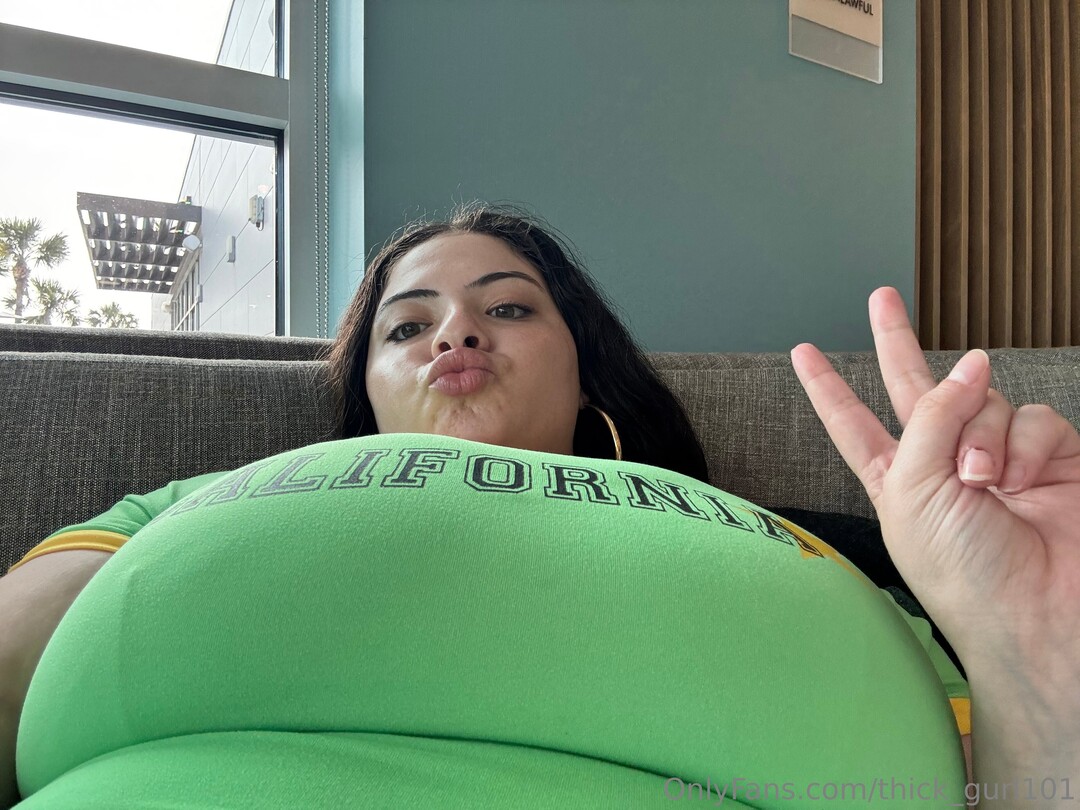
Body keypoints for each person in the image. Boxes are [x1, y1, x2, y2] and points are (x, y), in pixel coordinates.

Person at [0, 202, 1076, 808]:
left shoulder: (826, 552)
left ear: (585, 367)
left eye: (507, 309)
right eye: (406, 326)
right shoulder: (190, 506)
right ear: (364, 392)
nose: (455, 335)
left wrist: (1034, 646)